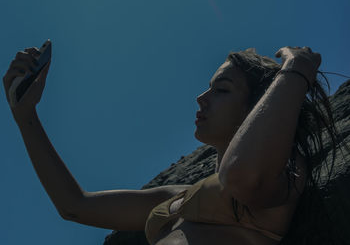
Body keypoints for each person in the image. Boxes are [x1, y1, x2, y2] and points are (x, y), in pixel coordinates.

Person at [3, 45, 342, 245]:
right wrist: (25, 116)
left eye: (221, 90)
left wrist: (297, 69)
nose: (201, 98)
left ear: (259, 105)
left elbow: (241, 175)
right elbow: (75, 205)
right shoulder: (178, 195)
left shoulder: (283, 175)